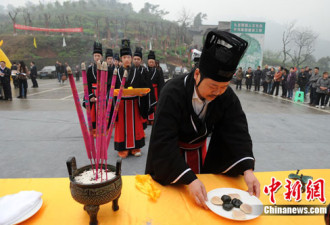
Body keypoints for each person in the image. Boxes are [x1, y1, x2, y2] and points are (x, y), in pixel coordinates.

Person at [145, 30, 260, 209]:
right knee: (173, 207)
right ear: (197, 74)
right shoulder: (172, 92)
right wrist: (189, 179)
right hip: (171, 162)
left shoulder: (225, 95)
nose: (218, 92)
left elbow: (237, 131)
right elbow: (163, 140)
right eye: (213, 86)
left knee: (203, 206)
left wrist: (247, 169)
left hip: (200, 156)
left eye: (223, 87)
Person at [114, 40, 151, 158]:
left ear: (131, 58)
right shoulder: (116, 72)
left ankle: (135, 147)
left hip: (134, 104)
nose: (126, 59)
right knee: (121, 126)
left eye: (128, 57)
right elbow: (111, 88)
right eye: (124, 57)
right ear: (121, 59)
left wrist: (143, 94)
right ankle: (122, 149)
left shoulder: (137, 72)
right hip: (121, 105)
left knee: (135, 125)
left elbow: (144, 86)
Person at [86, 41, 103, 129]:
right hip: (93, 93)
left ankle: (103, 129)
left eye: (98, 56)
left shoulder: (106, 68)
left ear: (102, 57)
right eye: (95, 56)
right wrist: (91, 95)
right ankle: (94, 130)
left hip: (103, 93)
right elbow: (87, 84)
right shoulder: (90, 69)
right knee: (93, 113)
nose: (97, 57)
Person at [146, 50, 165, 124]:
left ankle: (154, 119)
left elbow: (161, 82)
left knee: (155, 104)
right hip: (147, 90)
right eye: (150, 62)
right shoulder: (145, 70)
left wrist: (161, 92)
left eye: (152, 62)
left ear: (154, 62)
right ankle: (147, 119)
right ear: (147, 62)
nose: (151, 63)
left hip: (155, 90)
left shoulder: (158, 71)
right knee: (148, 103)